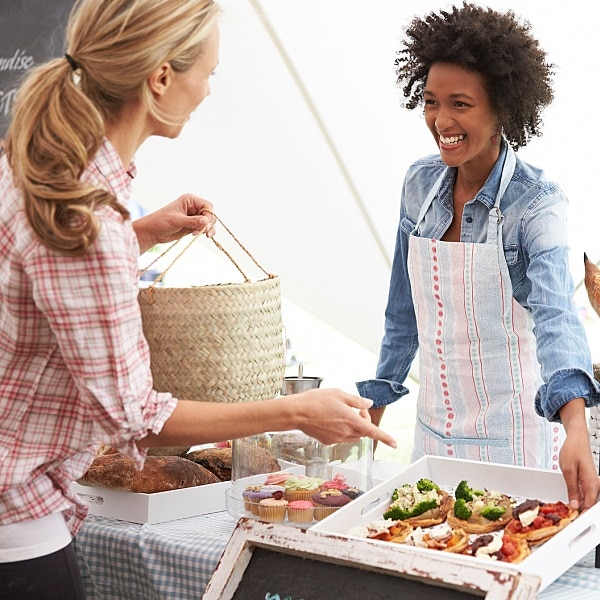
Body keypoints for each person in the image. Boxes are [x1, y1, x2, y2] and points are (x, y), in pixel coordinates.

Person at [0, 1, 396, 597]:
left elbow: (40, 279)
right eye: (207, 72)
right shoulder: (86, 222)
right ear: (161, 77)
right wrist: (295, 410)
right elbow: (138, 418)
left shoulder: (36, 171)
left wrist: (140, 234)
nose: (209, 90)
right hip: (17, 532)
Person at [357, 3, 600, 511]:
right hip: (431, 437)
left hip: (514, 446)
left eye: (461, 104)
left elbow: (558, 316)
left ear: (501, 111)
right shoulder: (419, 183)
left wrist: (576, 424)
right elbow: (404, 313)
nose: (441, 120)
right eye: (430, 101)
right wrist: (376, 401)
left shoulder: (537, 204)